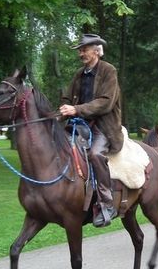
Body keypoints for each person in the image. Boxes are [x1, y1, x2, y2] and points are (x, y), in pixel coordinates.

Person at [60, 33, 123, 227]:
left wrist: (76, 109)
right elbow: (67, 97)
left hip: (103, 126)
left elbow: (106, 102)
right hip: (78, 124)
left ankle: (107, 204)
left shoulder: (108, 70)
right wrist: (63, 109)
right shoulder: (80, 74)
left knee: (95, 154)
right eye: (80, 50)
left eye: (84, 49)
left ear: (96, 51)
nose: (81, 53)